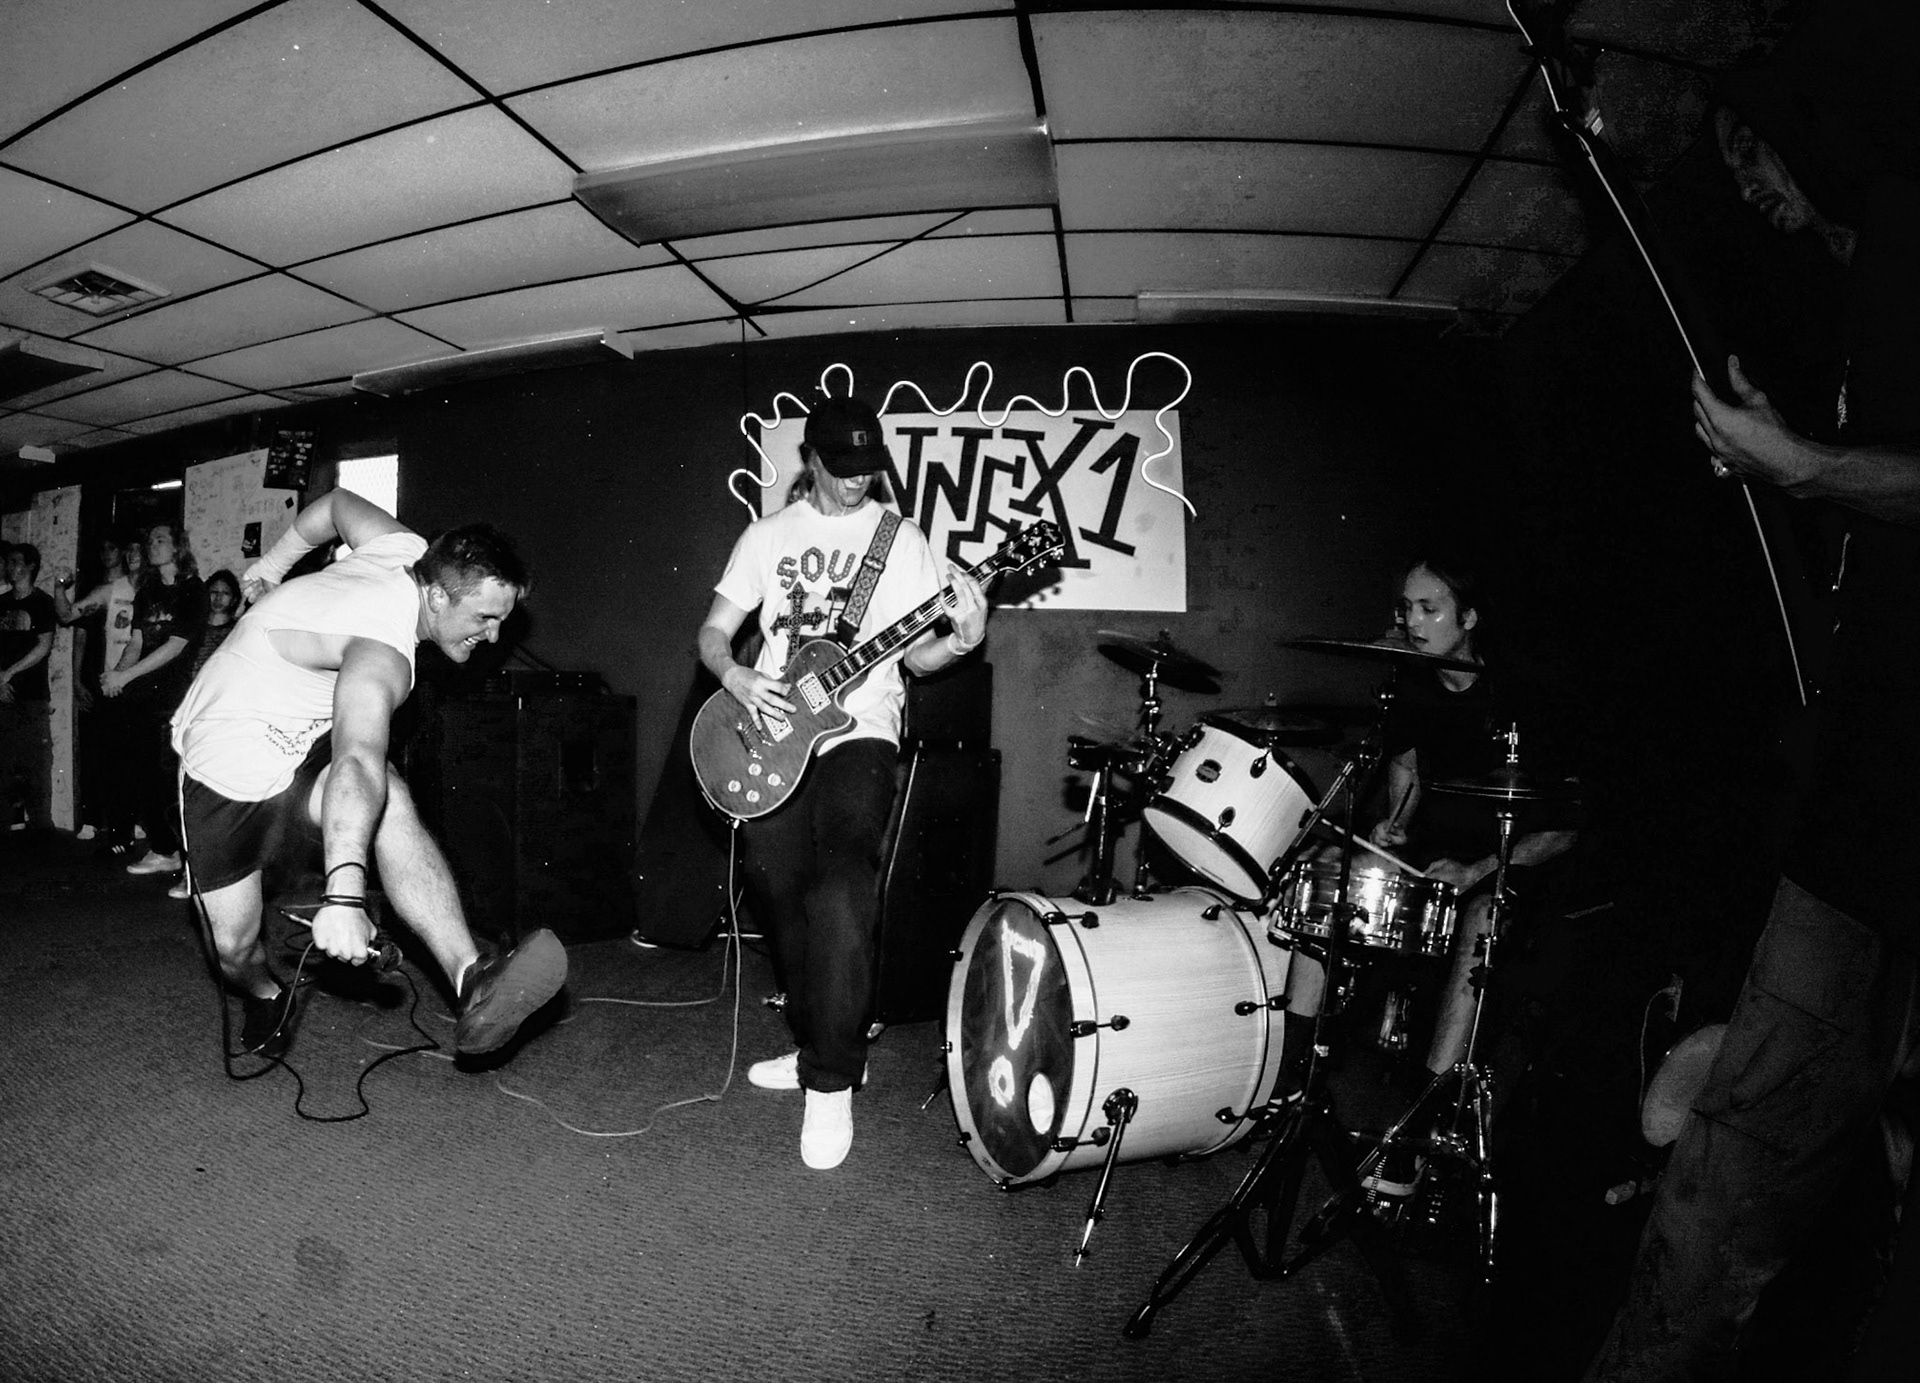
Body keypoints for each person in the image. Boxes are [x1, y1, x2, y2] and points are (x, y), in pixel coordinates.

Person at [1587, 2, 1920, 1378]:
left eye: (1753, 155)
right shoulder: (1862, 286)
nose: (1748, 187)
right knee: (1733, 1155)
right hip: (1862, 803)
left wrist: (1801, 466)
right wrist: (1791, 463)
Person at [171, 487, 566, 1062]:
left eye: (501, 619)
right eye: (484, 617)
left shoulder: (405, 548)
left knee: (391, 798)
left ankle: (472, 975)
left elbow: (335, 505)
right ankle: (266, 993)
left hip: (301, 739)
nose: (493, 636)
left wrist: (270, 568)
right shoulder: (383, 652)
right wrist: (344, 896)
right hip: (226, 764)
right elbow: (355, 759)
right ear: (436, 595)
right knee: (232, 949)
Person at [699, 394, 989, 1169]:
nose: (858, 481)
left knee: (842, 883)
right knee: (777, 887)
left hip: (860, 731)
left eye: (869, 468)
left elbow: (917, 656)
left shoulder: (900, 539)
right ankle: (814, 1041)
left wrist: (963, 640)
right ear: (812, 459)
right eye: (843, 467)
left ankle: (832, 1078)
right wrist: (734, 676)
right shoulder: (767, 535)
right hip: (772, 733)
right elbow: (714, 631)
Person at [106, 522, 205, 883]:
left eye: (160, 539)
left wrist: (125, 676)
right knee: (141, 776)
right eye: (150, 539)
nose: (153, 544)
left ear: (178, 547)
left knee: (167, 782)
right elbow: (136, 642)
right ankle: (164, 850)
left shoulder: (193, 590)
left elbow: (175, 646)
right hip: (140, 696)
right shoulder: (147, 591)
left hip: (172, 699)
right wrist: (116, 676)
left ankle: (191, 864)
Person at [54, 533, 141, 848]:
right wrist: (59, 586)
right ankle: (95, 819)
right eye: (103, 548)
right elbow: (69, 619)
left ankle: (134, 821)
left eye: (115, 548)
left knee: (134, 756)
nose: (109, 554)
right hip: (105, 680)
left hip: (141, 682)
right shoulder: (105, 591)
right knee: (100, 752)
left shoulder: (152, 589)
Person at [0, 542, 56, 829]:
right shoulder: (1, 603)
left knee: (36, 764)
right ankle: (7, 823)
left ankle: (41, 827)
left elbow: (43, 646)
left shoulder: (42, 602)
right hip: (2, 693)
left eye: (15, 562)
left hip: (32, 696)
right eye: (8, 562)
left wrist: (9, 673)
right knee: (4, 763)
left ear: (30, 566)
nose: (9, 567)